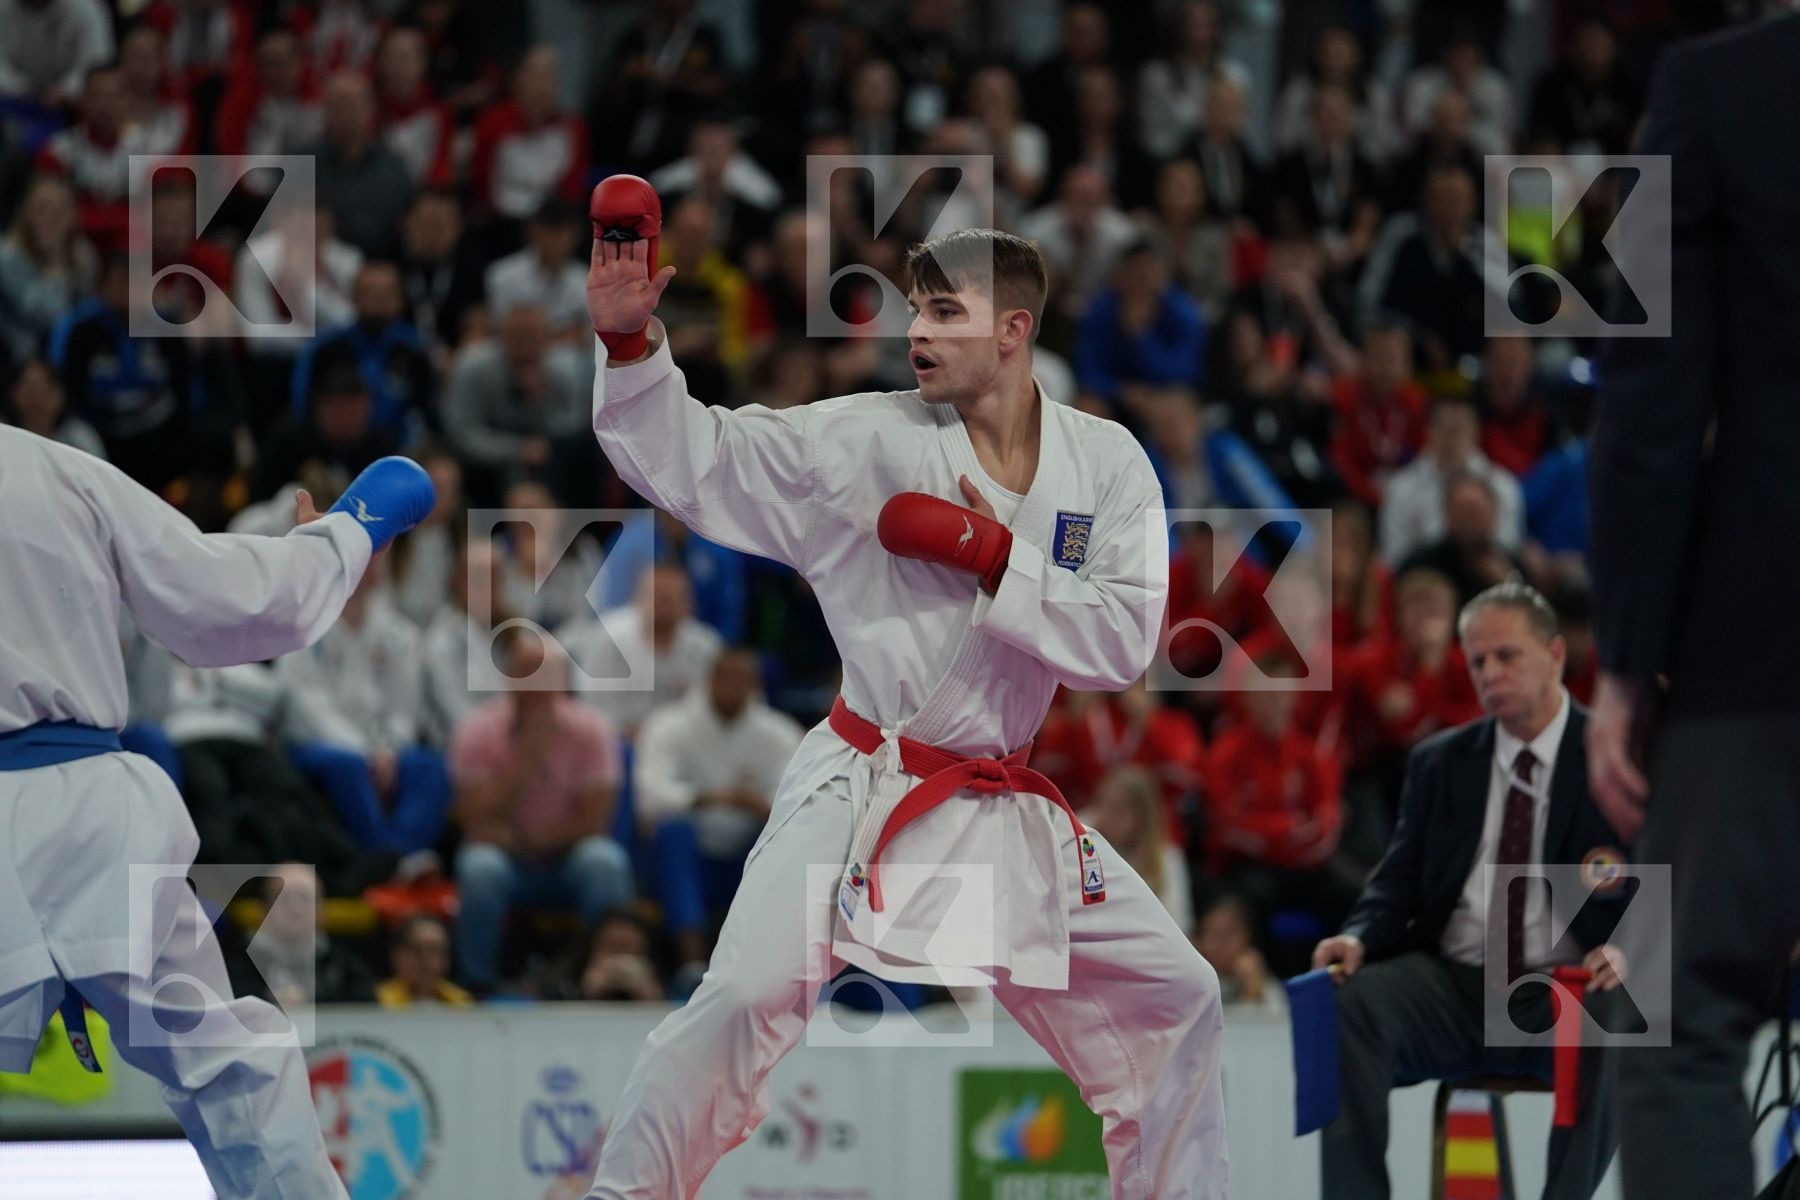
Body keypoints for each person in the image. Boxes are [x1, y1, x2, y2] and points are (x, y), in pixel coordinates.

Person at [581, 177, 1224, 1198]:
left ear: (1014, 330)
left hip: (1002, 804)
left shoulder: (1107, 466)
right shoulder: (867, 440)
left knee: (1178, 994)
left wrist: (999, 557)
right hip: (865, 777)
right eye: (914, 309)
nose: (916, 332)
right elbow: (700, 461)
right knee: (742, 998)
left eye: (945, 313)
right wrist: (629, 350)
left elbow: (1122, 644)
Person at [0, 437, 433, 1200]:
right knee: (233, 1064)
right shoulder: (53, 471)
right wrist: (352, 527)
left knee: (234, 1061)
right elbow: (232, 599)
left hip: (89, 802)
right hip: (95, 820)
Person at [1585, 15, 1800, 1198]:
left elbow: (1649, 403)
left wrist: (1628, 658)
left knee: (1664, 1021)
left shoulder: (1724, 88)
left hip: (1762, 652)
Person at [1311, 582, 1626, 1200]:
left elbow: (1661, 875)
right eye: (1477, 660)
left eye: (1507, 656)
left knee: (1623, 1008)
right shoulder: (1441, 762)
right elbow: (1397, 880)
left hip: (1560, 993)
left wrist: (1631, 948)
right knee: (1344, 1002)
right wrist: (1356, 935)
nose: (1489, 673)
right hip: (1451, 990)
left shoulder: (1609, 755)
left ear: (1556, 655)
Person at [449, 628, 635, 995]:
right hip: (504, 861)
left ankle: (602, 979)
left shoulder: (593, 730)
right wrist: (526, 761)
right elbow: (473, 815)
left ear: (563, 682)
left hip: (565, 858)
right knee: (479, 868)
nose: (535, 685)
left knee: (605, 862)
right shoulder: (476, 729)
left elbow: (594, 821)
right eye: (525, 673)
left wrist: (523, 840)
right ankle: (477, 983)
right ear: (508, 678)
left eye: (544, 675)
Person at [635, 647, 805, 986]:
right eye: (725, 677)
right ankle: (691, 961)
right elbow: (650, 797)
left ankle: (758, 963)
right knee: (674, 832)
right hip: (689, 856)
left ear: (756, 686)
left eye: (743, 679)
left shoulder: (780, 734)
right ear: (709, 679)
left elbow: (800, 802)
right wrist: (709, 797)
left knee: (781, 836)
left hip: (745, 852)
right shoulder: (669, 725)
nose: (733, 686)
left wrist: (754, 803)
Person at [376, 915, 473, 1008]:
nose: (429, 962)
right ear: (396, 954)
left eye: (438, 951)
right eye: (418, 950)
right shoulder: (376, 1002)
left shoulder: (462, 1002)